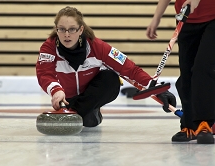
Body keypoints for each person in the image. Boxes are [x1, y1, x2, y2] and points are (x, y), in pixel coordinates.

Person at [36, 6, 176, 128]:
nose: (66, 34)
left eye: (72, 29)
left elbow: (129, 69)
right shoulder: (49, 48)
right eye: (62, 29)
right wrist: (56, 91)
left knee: (110, 78)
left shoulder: (98, 47)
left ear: (81, 30)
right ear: (56, 29)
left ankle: (77, 113)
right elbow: (44, 74)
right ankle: (82, 113)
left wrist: (157, 89)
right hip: (65, 99)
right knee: (88, 121)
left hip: (90, 97)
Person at [146, 0, 215, 144]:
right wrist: (156, 17)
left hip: (212, 18)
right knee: (186, 76)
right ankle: (189, 126)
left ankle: (205, 124)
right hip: (186, 17)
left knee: (202, 70)